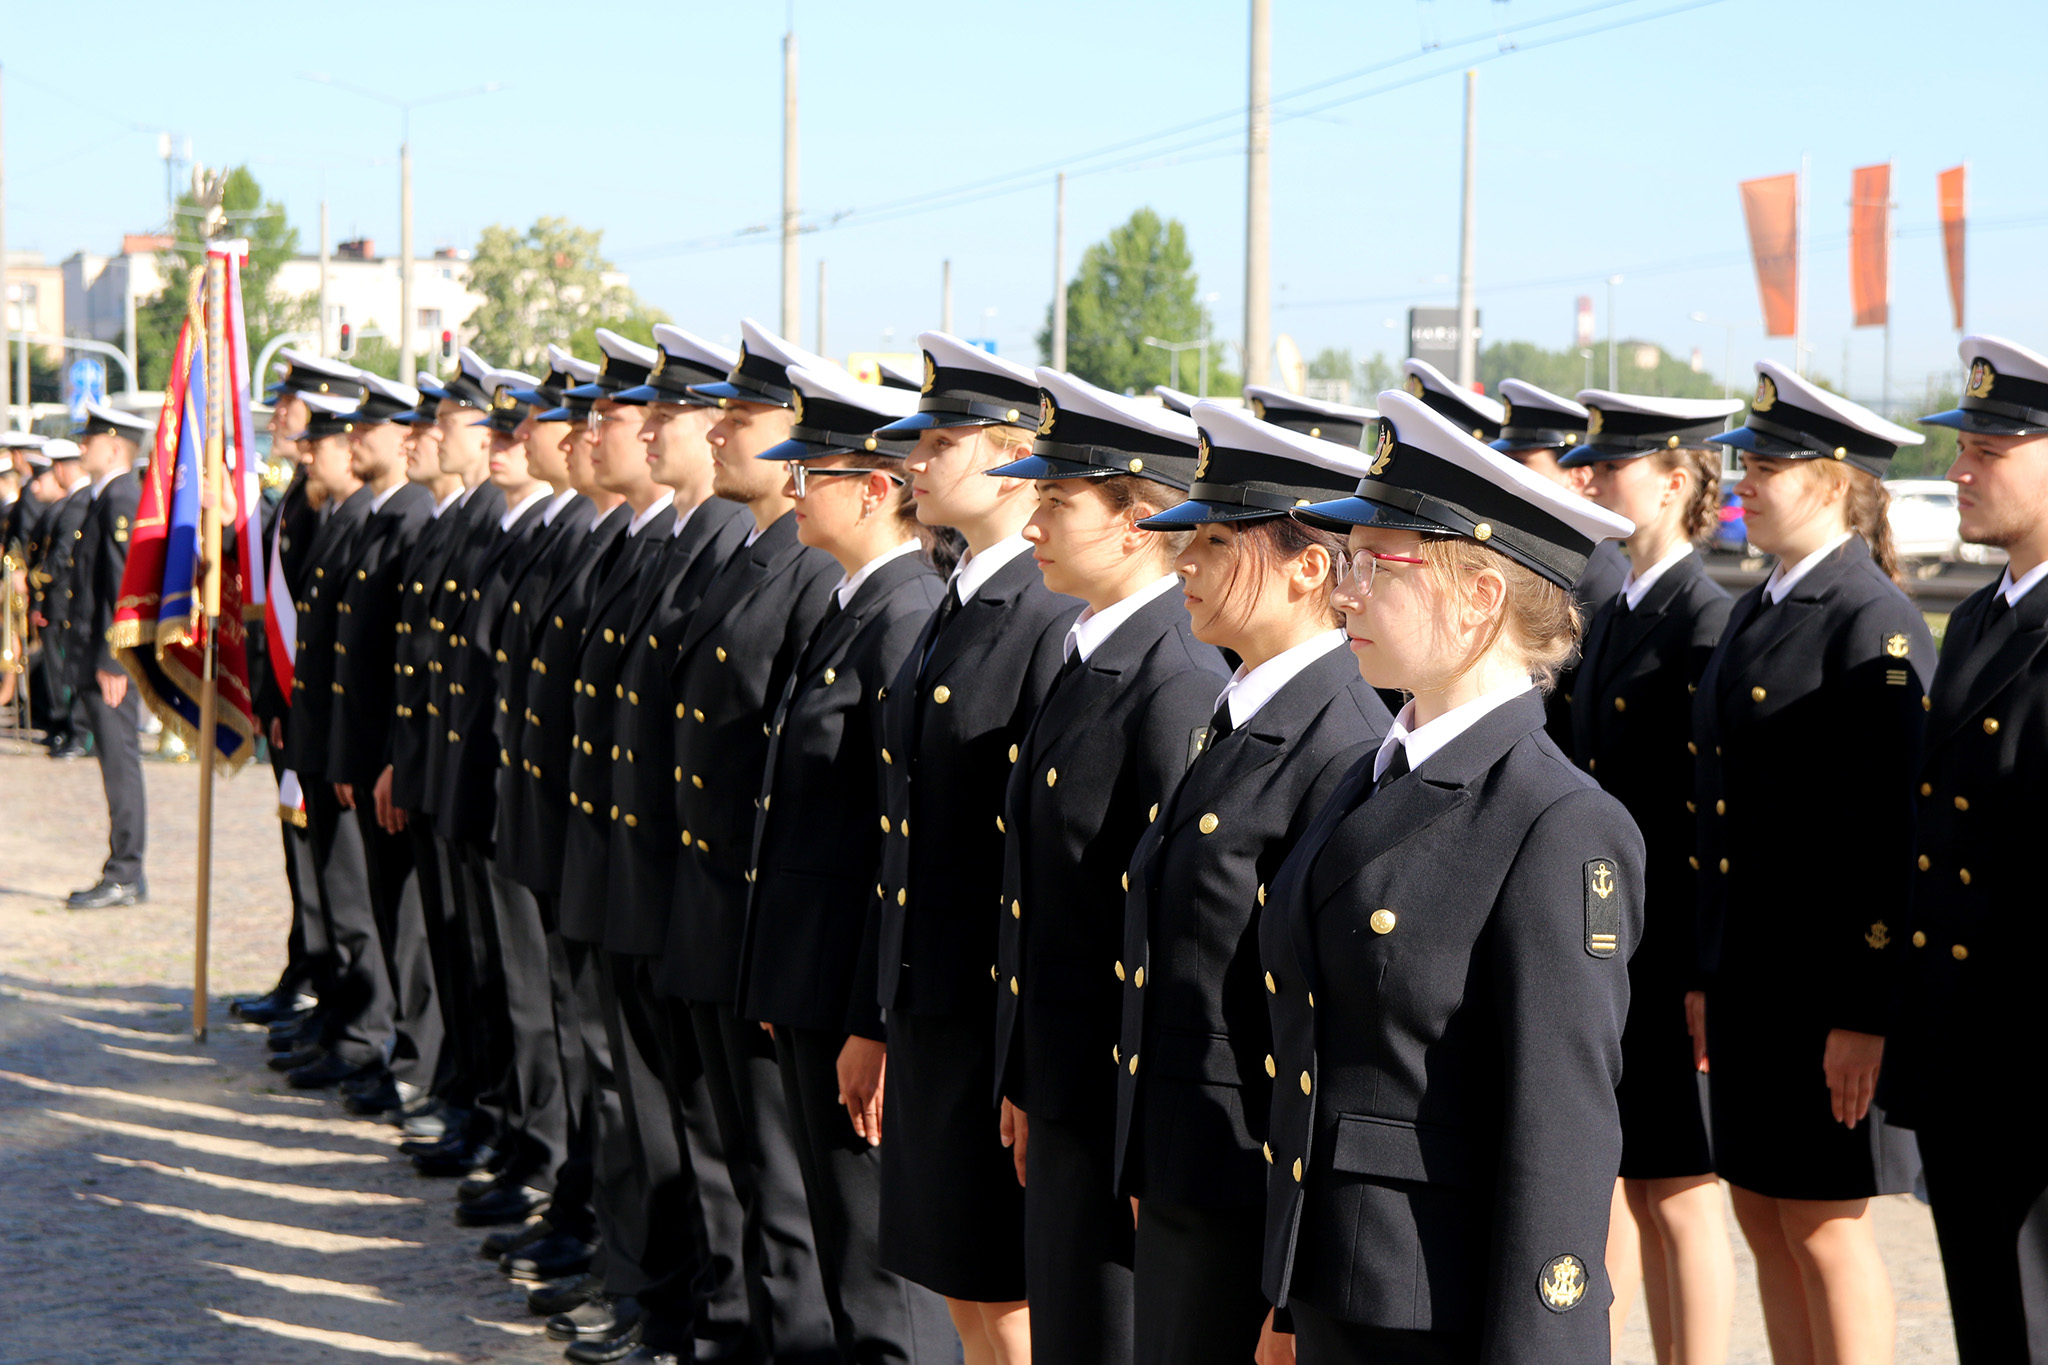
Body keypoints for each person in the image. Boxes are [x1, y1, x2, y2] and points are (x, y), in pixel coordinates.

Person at [1261, 387, 1642, 1362]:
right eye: (1342, 561)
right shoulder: (1366, 774)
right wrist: (1283, 1297)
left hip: (1441, 1311)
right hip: (1337, 1288)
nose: (1342, 591)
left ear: (1477, 598)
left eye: (1373, 564)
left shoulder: (1555, 824)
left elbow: (1557, 1142)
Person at [1114, 401, 1389, 1365]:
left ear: (1310, 566)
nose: (1182, 562)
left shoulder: (1342, 741)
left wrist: (1289, 1271)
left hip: (1252, 1184)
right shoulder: (1238, 710)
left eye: (1215, 542)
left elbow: (1322, 1024)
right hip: (1192, 1163)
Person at [989, 367, 1230, 1365]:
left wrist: (1135, 1127)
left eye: (1056, 501)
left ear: (1133, 524)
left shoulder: (1172, 678)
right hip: (1064, 1084)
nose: (1032, 522)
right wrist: (1021, 1072)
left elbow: (1170, 932)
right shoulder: (1089, 651)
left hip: (1112, 1098)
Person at [1694, 361, 1933, 1365]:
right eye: (1746, 460)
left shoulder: (1867, 620)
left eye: (1772, 463)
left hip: (1823, 989)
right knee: (1760, 1216)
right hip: (1751, 977)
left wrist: (1864, 1011)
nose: (1748, 478)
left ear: (1835, 481)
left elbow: (1890, 835)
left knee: (1825, 1227)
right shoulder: (1761, 605)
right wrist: (1706, 972)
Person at [733, 362, 955, 1363]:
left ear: (875, 488)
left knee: (876, 1283)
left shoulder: (903, 613)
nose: (792, 489)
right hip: (810, 976)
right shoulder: (854, 602)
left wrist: (869, 1020)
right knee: (827, 1247)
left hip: (849, 993)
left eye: (811, 473)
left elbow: (893, 845)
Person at [869, 331, 1074, 1365]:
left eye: (940, 440)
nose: (915, 460)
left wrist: (1024, 1057)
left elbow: (1042, 860)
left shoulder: (1045, 611)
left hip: (989, 1014)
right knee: (961, 1288)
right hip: (935, 1002)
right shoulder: (958, 594)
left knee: (1003, 1302)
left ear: (1005, 456)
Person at [664, 318, 842, 1365]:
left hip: (763, 921)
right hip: (717, 904)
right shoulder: (758, 555)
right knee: (736, 1161)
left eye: (745, 416)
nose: (726, 433)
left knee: (783, 1189)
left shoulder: (815, 577)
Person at [1559, 391, 1743, 1363]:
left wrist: (1696, 963)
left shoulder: (1698, 617)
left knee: (1678, 1191)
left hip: (1667, 940)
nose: (1588, 477)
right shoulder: (1628, 605)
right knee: (1636, 1179)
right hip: (1618, 939)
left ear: (1673, 481)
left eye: (1612, 464)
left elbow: (1698, 814)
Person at [1884, 334, 2048, 1363]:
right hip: (1967, 1053)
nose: (1955, 469)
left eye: (1987, 449)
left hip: (2032, 1064)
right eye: (1962, 445)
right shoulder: (1984, 617)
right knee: (1988, 1323)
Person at [1486, 379, 1623, 745]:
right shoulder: (1535, 564)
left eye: (1522, 463)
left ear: (1579, 477)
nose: (1507, 478)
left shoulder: (1603, 583)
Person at [62, 403, 150, 907]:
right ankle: (122, 867)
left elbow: (123, 587)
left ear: (115, 446)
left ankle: (126, 872)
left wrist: (115, 660)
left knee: (120, 762)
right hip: (97, 655)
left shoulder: (121, 499)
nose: (81, 447)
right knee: (112, 761)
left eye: (89, 440)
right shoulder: (107, 497)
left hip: (110, 661)